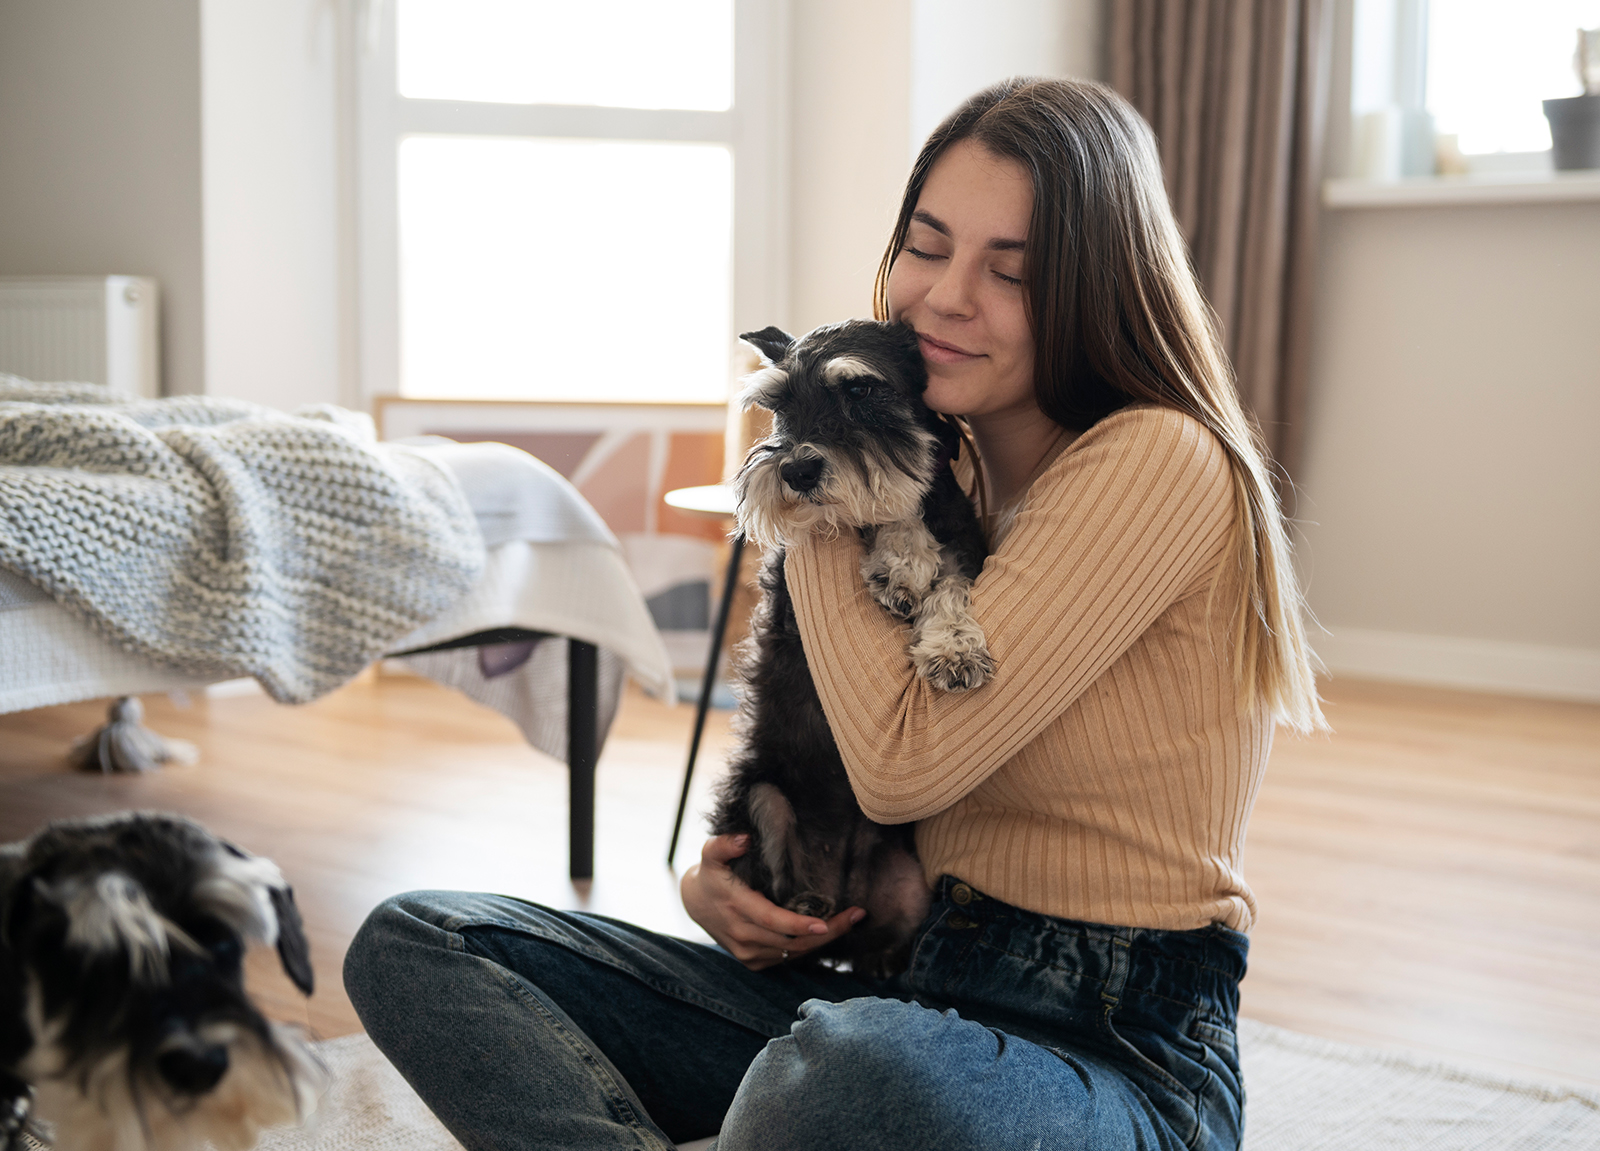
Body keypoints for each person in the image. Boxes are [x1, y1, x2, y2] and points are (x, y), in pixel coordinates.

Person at [343, 77, 1324, 1151]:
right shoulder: (950, 483)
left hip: (1111, 1062)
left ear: (1094, 292)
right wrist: (723, 893)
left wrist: (803, 486)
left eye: (1012, 271)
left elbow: (902, 764)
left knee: (848, 1079)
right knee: (422, 940)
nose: (946, 295)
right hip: (897, 979)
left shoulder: (1157, 460)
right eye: (927, 245)